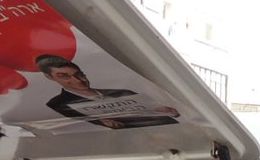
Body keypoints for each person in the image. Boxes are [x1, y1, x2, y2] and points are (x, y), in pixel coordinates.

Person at [35, 54, 179, 129]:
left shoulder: (122, 92)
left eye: (79, 74)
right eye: (64, 76)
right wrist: (101, 122)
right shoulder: (57, 104)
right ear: (49, 77)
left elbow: (164, 111)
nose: (78, 80)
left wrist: (166, 110)